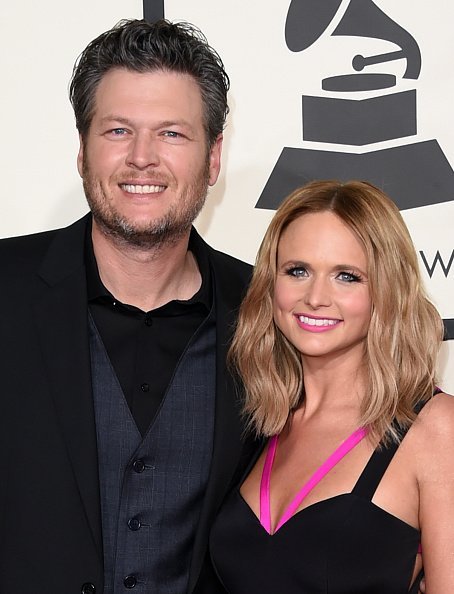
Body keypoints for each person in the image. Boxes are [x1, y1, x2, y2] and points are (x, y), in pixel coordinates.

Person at [0, 18, 252, 594]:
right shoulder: (6, 289)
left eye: (171, 134)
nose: (142, 158)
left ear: (212, 159)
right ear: (82, 152)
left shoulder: (266, 311)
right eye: (117, 131)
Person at [210, 180, 454, 593]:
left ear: (386, 290)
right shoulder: (261, 421)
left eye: (347, 276)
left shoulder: (434, 428)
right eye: (298, 271)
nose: (316, 297)